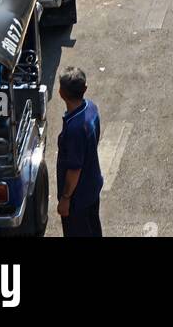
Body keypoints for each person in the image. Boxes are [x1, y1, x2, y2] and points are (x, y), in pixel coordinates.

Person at [57, 67, 103, 238]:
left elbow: (74, 169)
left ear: (61, 93)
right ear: (85, 88)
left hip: (78, 198)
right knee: (93, 229)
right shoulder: (91, 108)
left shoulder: (75, 129)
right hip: (92, 186)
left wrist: (65, 198)